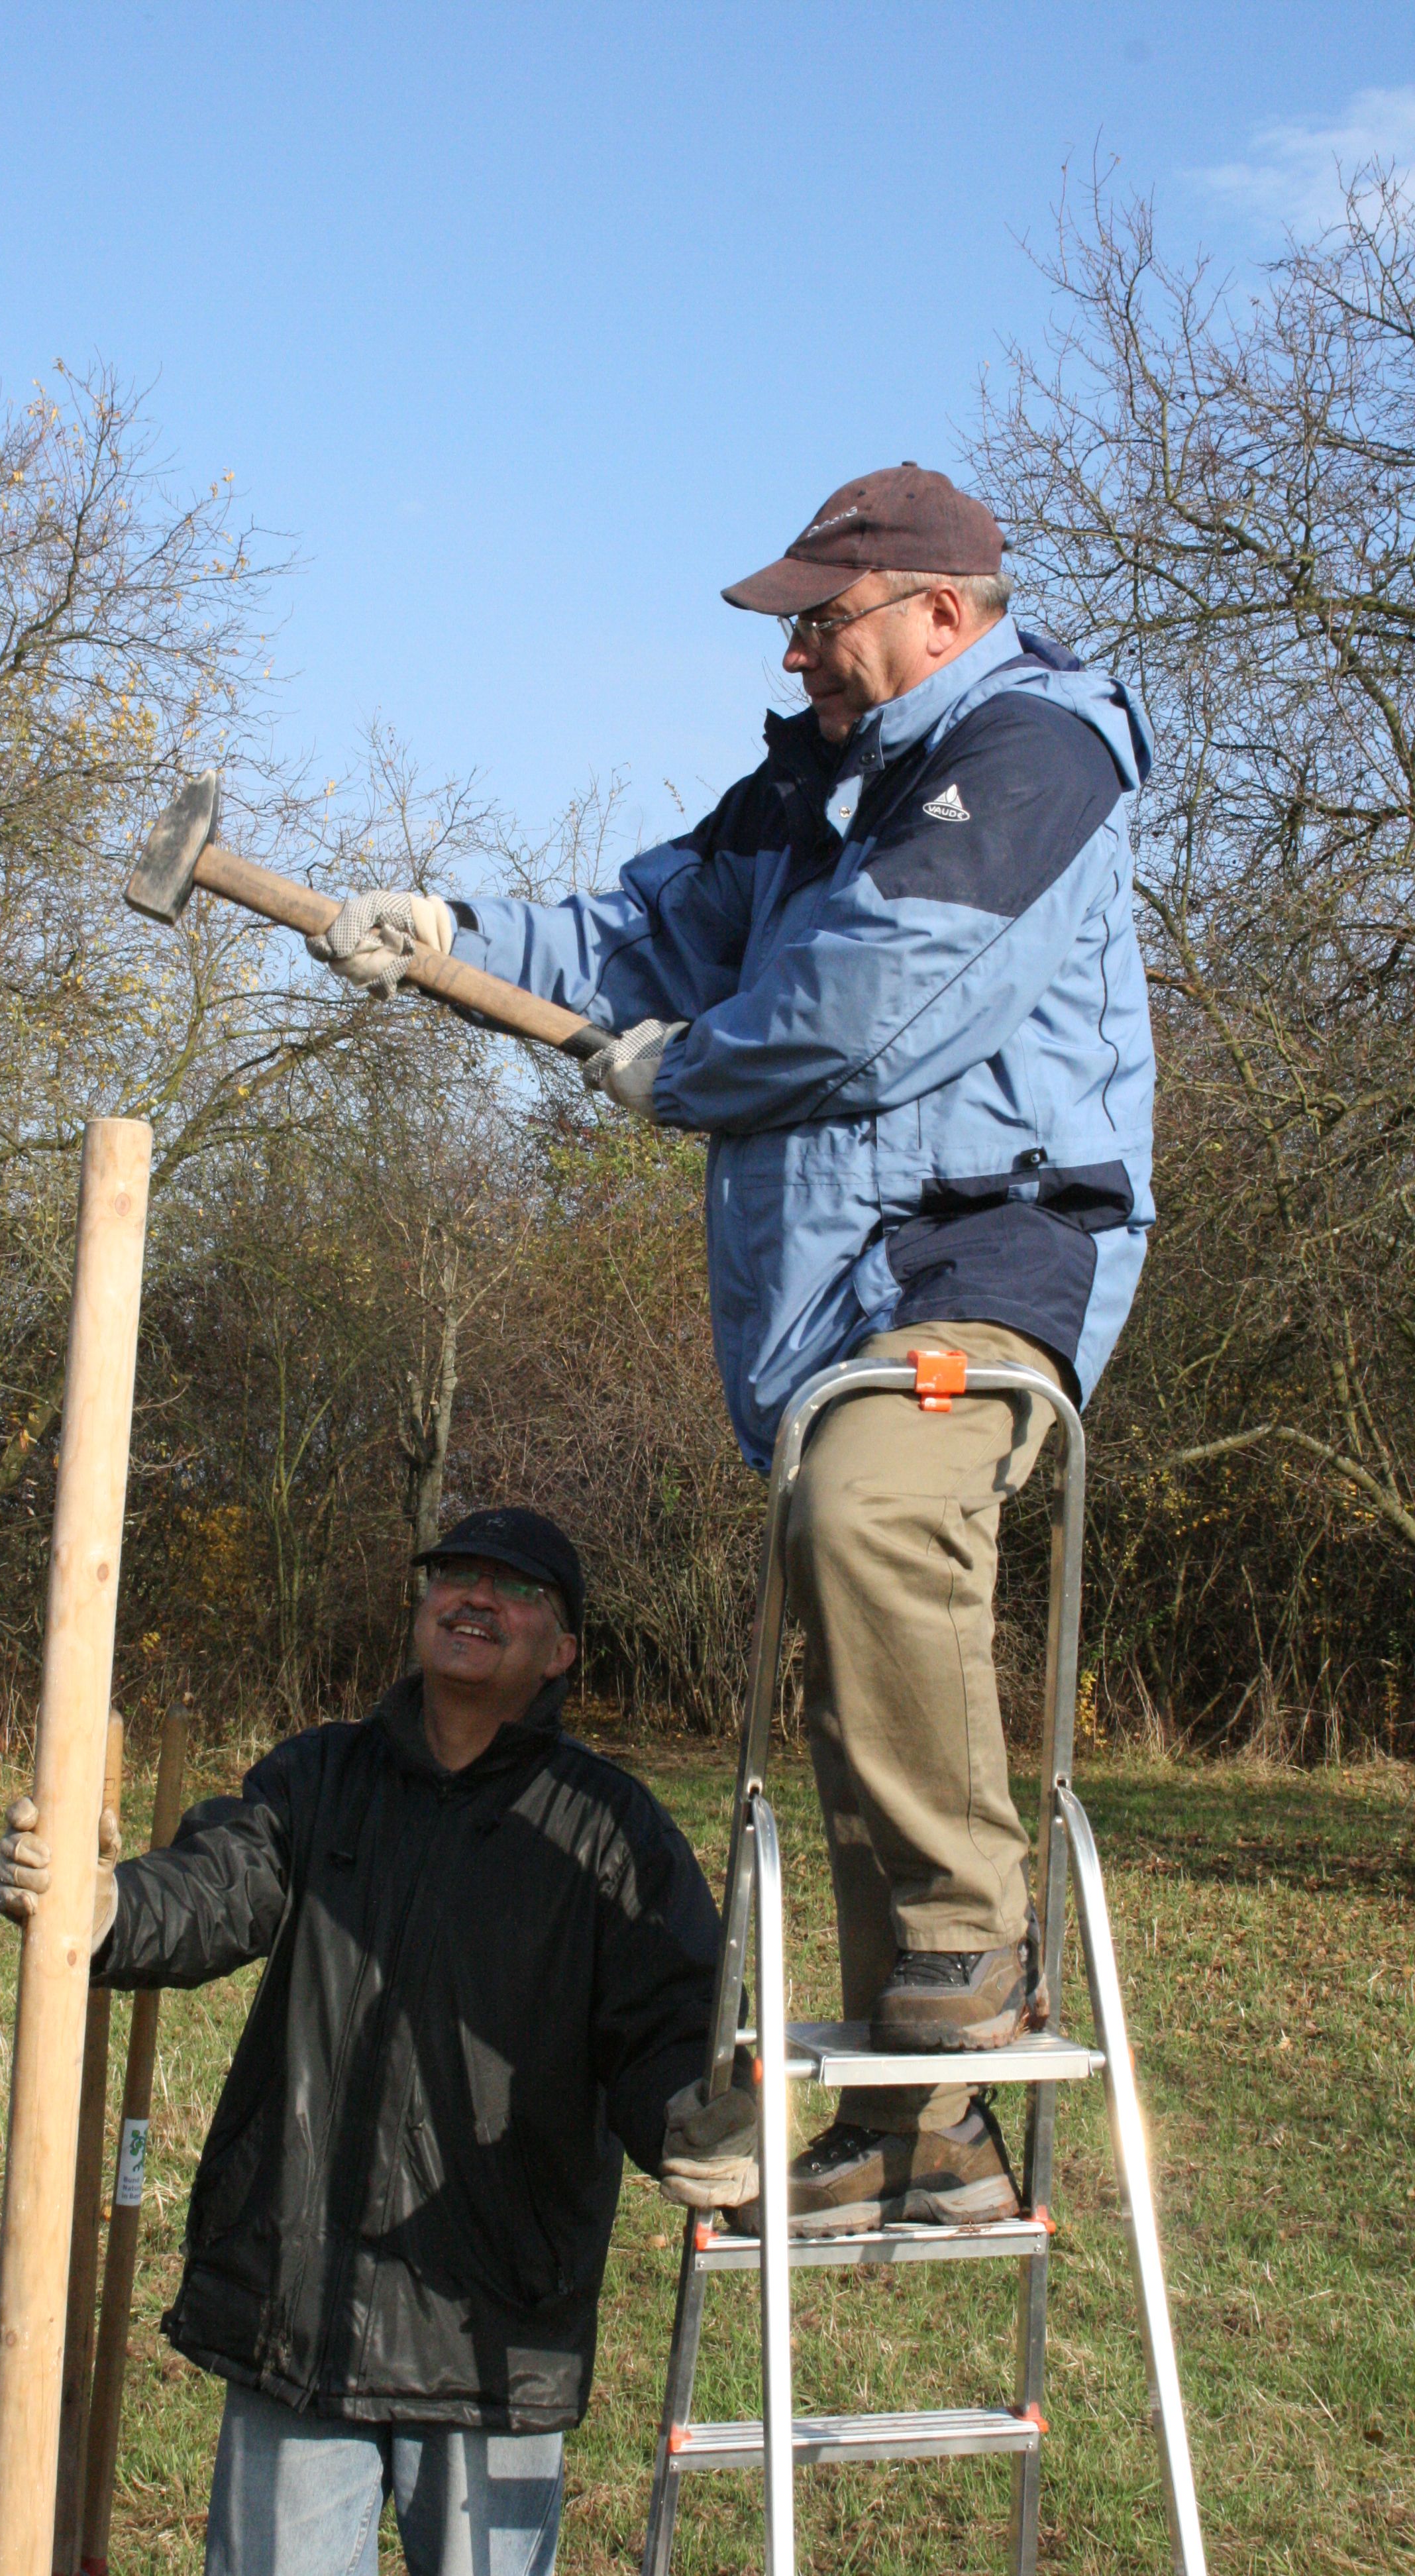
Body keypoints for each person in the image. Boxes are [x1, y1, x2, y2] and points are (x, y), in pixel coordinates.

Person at [308, 464, 1155, 2233]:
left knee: (867, 1518)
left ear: (942, 609)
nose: (794, 663)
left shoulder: (1030, 761)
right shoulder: (811, 788)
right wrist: (456, 935)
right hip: (832, 1285)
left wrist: (681, 1070)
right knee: (853, 1656)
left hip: (986, 1246)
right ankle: (920, 2129)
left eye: (820, 625)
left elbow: (876, 997)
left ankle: (961, 1972)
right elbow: (645, 933)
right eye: (788, 631)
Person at [0, 1507, 726, 2576]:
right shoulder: (319, 1776)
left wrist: (699, 2124)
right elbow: (218, 1887)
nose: (473, 1596)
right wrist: (98, 1910)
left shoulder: (610, 1833)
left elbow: (667, 2023)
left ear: (563, 1650)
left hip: (490, 2328)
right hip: (302, 2311)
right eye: (452, 1576)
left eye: (513, 1588)